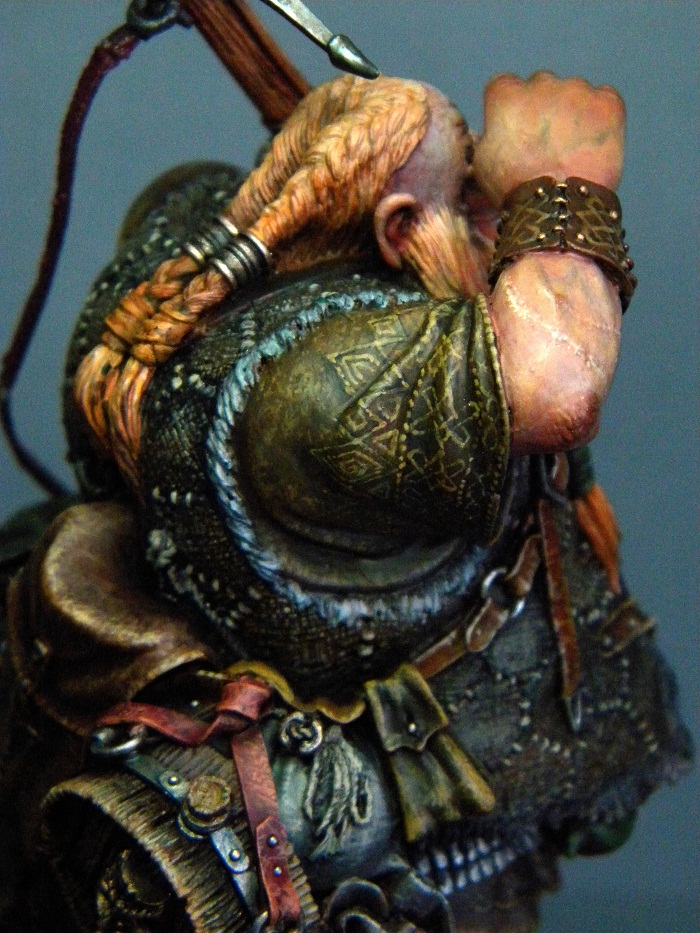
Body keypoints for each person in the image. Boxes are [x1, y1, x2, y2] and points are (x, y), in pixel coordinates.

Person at [1, 72, 691, 933]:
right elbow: (557, 385)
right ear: (398, 228)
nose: (497, 222)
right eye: (473, 195)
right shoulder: (333, 385)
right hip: (382, 810)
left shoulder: (215, 266)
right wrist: (561, 181)